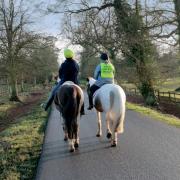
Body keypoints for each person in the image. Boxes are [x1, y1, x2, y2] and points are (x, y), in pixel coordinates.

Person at [44, 48, 85, 115]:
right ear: (72, 55)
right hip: (74, 81)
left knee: (54, 91)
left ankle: (47, 106)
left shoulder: (63, 64)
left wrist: (62, 77)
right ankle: (82, 110)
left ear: (65, 56)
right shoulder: (76, 64)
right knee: (81, 94)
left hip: (64, 81)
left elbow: (60, 75)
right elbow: (77, 72)